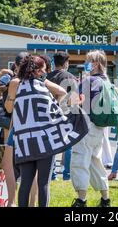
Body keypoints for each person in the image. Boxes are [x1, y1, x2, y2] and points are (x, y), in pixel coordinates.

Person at [11, 55, 67, 207]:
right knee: (43, 183)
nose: (44, 73)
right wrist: (55, 103)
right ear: (36, 71)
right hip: (45, 141)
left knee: (25, 183)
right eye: (43, 70)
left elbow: (9, 108)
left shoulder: (17, 84)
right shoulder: (43, 86)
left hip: (25, 141)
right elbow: (63, 92)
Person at [71, 50, 112, 207]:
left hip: (85, 125)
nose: (86, 63)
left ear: (95, 63)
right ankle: (105, 199)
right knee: (95, 162)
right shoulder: (106, 80)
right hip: (99, 127)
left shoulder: (89, 80)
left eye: (88, 61)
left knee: (80, 160)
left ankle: (81, 200)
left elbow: (79, 101)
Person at [0, 52, 28, 206]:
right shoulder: (10, 78)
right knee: (9, 156)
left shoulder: (26, 79)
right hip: (9, 119)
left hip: (17, 119)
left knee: (12, 159)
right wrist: (1, 73)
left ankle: (12, 199)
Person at [47, 52, 77, 181]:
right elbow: (74, 100)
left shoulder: (46, 77)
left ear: (54, 63)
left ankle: (52, 173)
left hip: (49, 113)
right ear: (66, 63)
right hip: (65, 113)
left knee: (51, 144)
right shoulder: (70, 76)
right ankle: (67, 174)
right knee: (68, 145)